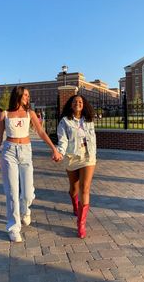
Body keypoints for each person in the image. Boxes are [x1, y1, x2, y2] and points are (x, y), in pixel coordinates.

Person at [0, 86, 62, 242]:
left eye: (29, 95)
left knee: (28, 192)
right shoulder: (5, 115)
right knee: (12, 192)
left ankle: (25, 208)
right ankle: (14, 227)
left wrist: (54, 149)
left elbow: (41, 132)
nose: (28, 98)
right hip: (9, 152)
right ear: (18, 96)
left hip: (26, 151)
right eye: (25, 95)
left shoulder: (30, 113)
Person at [56, 94, 96, 239]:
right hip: (72, 158)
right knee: (74, 188)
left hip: (88, 157)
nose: (77, 103)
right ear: (71, 105)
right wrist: (59, 153)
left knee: (84, 188)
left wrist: (94, 155)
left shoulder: (89, 120)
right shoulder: (65, 122)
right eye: (75, 102)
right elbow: (63, 141)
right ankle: (75, 206)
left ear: (83, 104)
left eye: (80, 101)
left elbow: (93, 139)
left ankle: (81, 224)